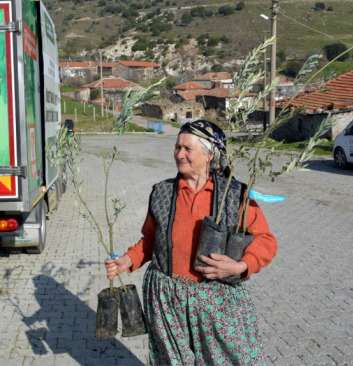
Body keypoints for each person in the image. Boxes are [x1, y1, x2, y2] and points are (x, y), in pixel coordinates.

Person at [105, 119, 277, 365]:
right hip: (167, 299)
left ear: (209, 155)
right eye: (177, 147)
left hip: (217, 299)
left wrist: (242, 266)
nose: (180, 154)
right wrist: (127, 260)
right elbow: (151, 240)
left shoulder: (234, 194)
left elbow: (265, 240)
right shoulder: (163, 192)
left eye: (188, 149)